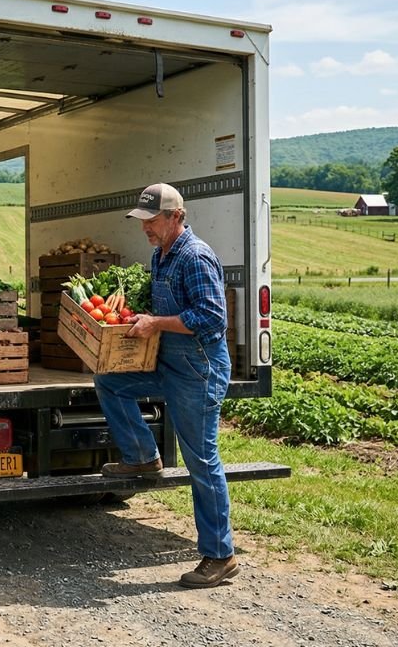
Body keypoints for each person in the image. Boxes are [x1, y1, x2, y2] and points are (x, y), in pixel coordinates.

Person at [94, 183, 237, 589]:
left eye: (152, 221)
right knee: (109, 382)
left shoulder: (194, 256)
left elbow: (211, 318)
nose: (146, 229)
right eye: (143, 222)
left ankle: (220, 555)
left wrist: (156, 323)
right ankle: (142, 456)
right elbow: (172, 311)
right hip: (168, 363)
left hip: (198, 371)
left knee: (202, 462)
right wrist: (145, 318)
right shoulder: (162, 255)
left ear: (176, 217)